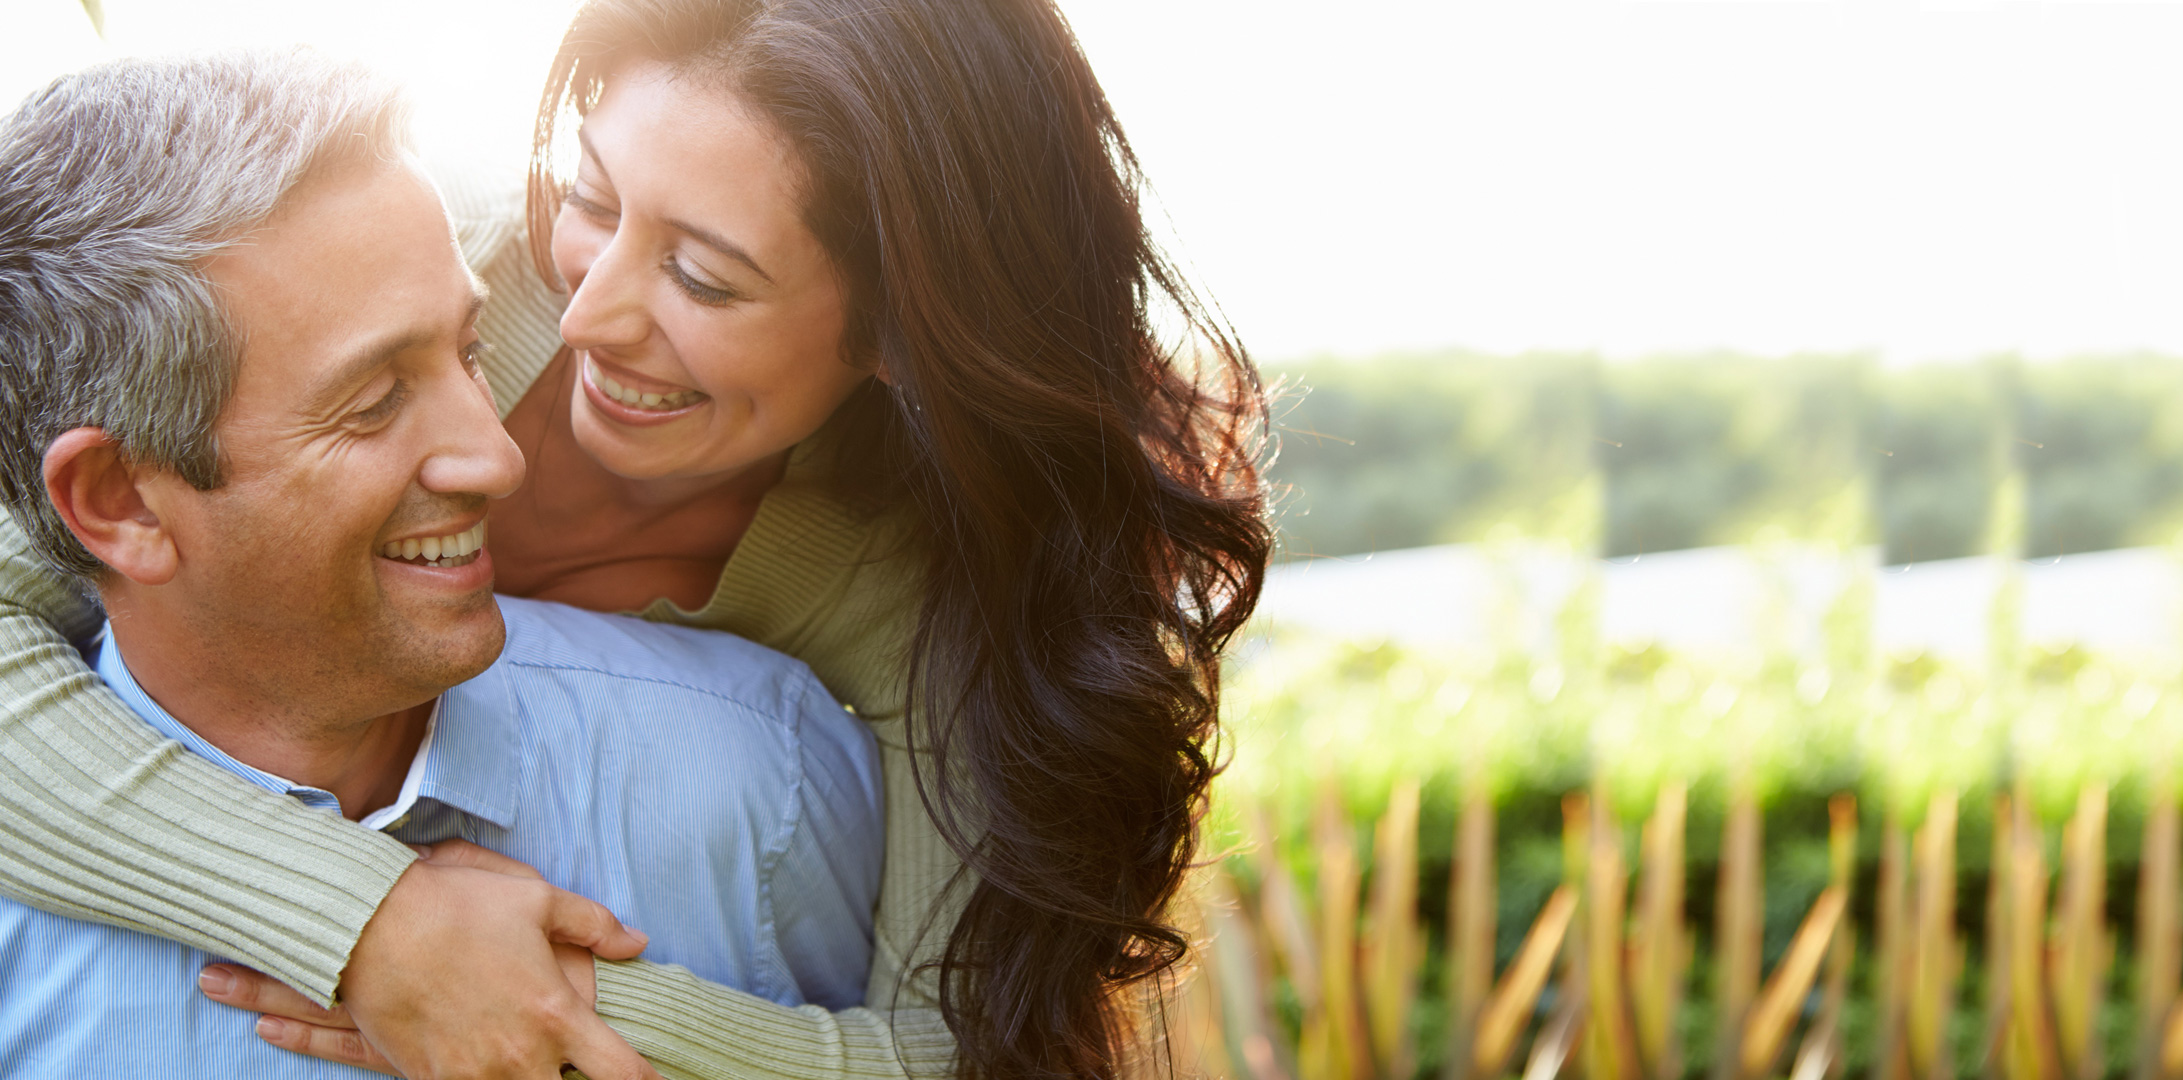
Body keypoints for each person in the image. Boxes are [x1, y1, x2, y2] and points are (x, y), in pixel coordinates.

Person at [0, 0, 1271, 1077]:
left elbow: (969, 1048)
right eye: (594, 199)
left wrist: (554, 1010)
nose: (589, 311)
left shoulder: (919, 595)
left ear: (899, 330)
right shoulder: (397, 271)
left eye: (705, 280)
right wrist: (363, 922)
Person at [0, 49, 884, 1078]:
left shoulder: (767, 780)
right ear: (120, 501)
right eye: (374, 401)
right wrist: (357, 919)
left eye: (470, 351)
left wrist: (580, 1021)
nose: (500, 456)